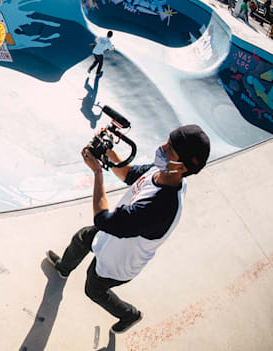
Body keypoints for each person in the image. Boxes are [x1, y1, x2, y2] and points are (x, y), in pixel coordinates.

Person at [46, 125, 210, 334]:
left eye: (170, 150)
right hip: (114, 236)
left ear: (183, 167)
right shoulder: (163, 172)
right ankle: (63, 268)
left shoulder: (160, 207)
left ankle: (129, 314)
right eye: (167, 141)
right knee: (82, 237)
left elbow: (103, 220)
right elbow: (128, 173)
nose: (162, 148)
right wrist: (107, 150)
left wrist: (97, 172)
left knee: (93, 288)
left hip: (120, 261)